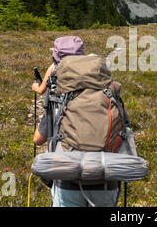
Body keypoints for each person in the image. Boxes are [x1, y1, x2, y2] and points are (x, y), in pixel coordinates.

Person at [31, 36, 120, 207]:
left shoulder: (58, 97)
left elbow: (38, 139)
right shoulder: (106, 89)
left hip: (68, 180)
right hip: (107, 178)